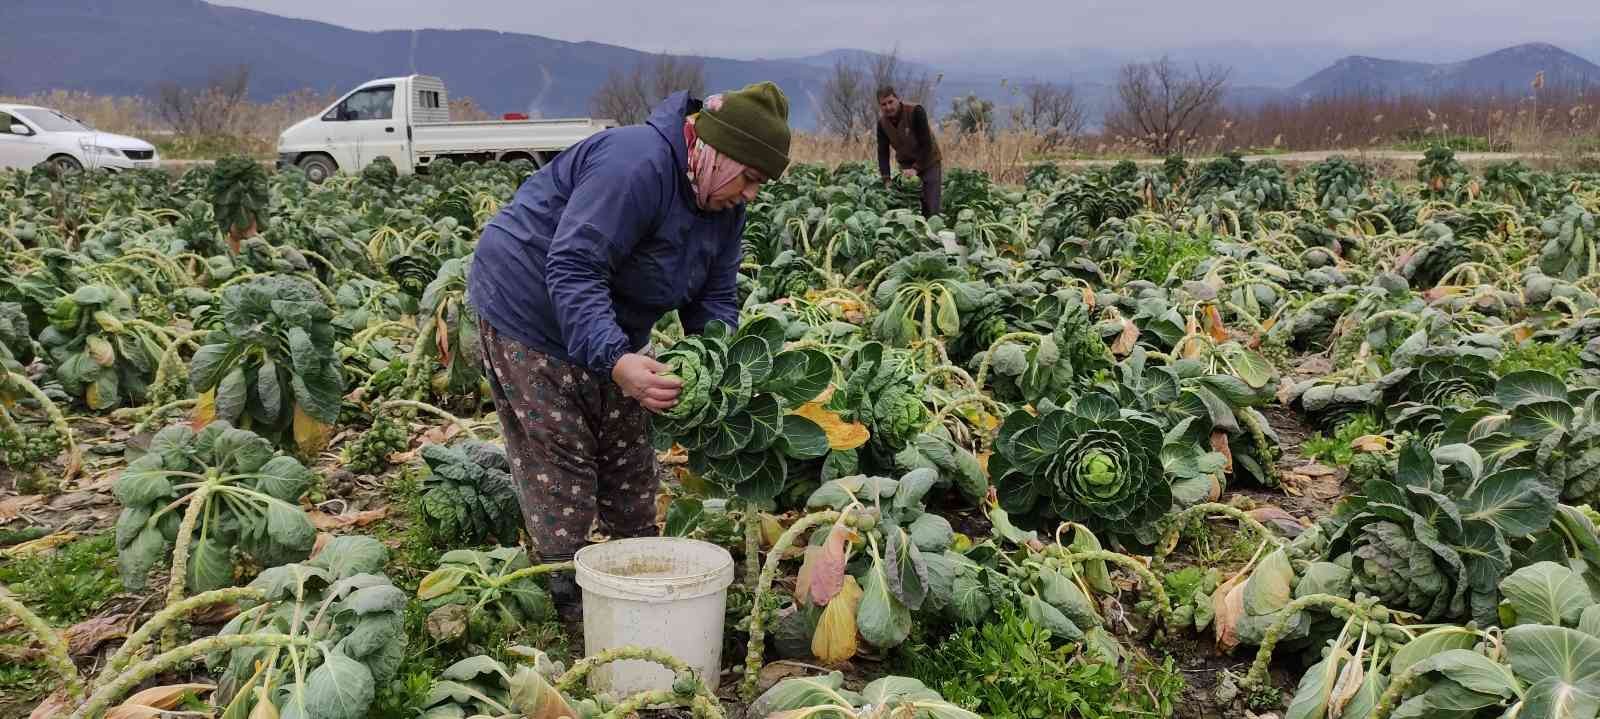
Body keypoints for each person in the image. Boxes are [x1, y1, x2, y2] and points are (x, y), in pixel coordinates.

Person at [468, 82, 792, 612]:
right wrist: (616, 360)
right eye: (750, 177)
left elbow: (715, 298)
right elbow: (574, 266)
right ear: (715, 148)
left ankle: (636, 568)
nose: (751, 194)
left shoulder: (723, 205)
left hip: (608, 320)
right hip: (527, 305)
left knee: (630, 456)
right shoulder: (636, 165)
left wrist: (721, 373)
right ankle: (570, 598)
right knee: (561, 453)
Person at [876, 86, 943, 218]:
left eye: (890, 102)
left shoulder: (915, 111)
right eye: (884, 104)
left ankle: (933, 233)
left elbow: (926, 144)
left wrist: (916, 169)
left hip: (928, 161)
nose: (888, 107)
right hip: (906, 165)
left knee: (930, 206)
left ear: (897, 99)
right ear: (880, 106)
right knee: (908, 207)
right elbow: (883, 152)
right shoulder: (882, 124)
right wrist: (886, 178)